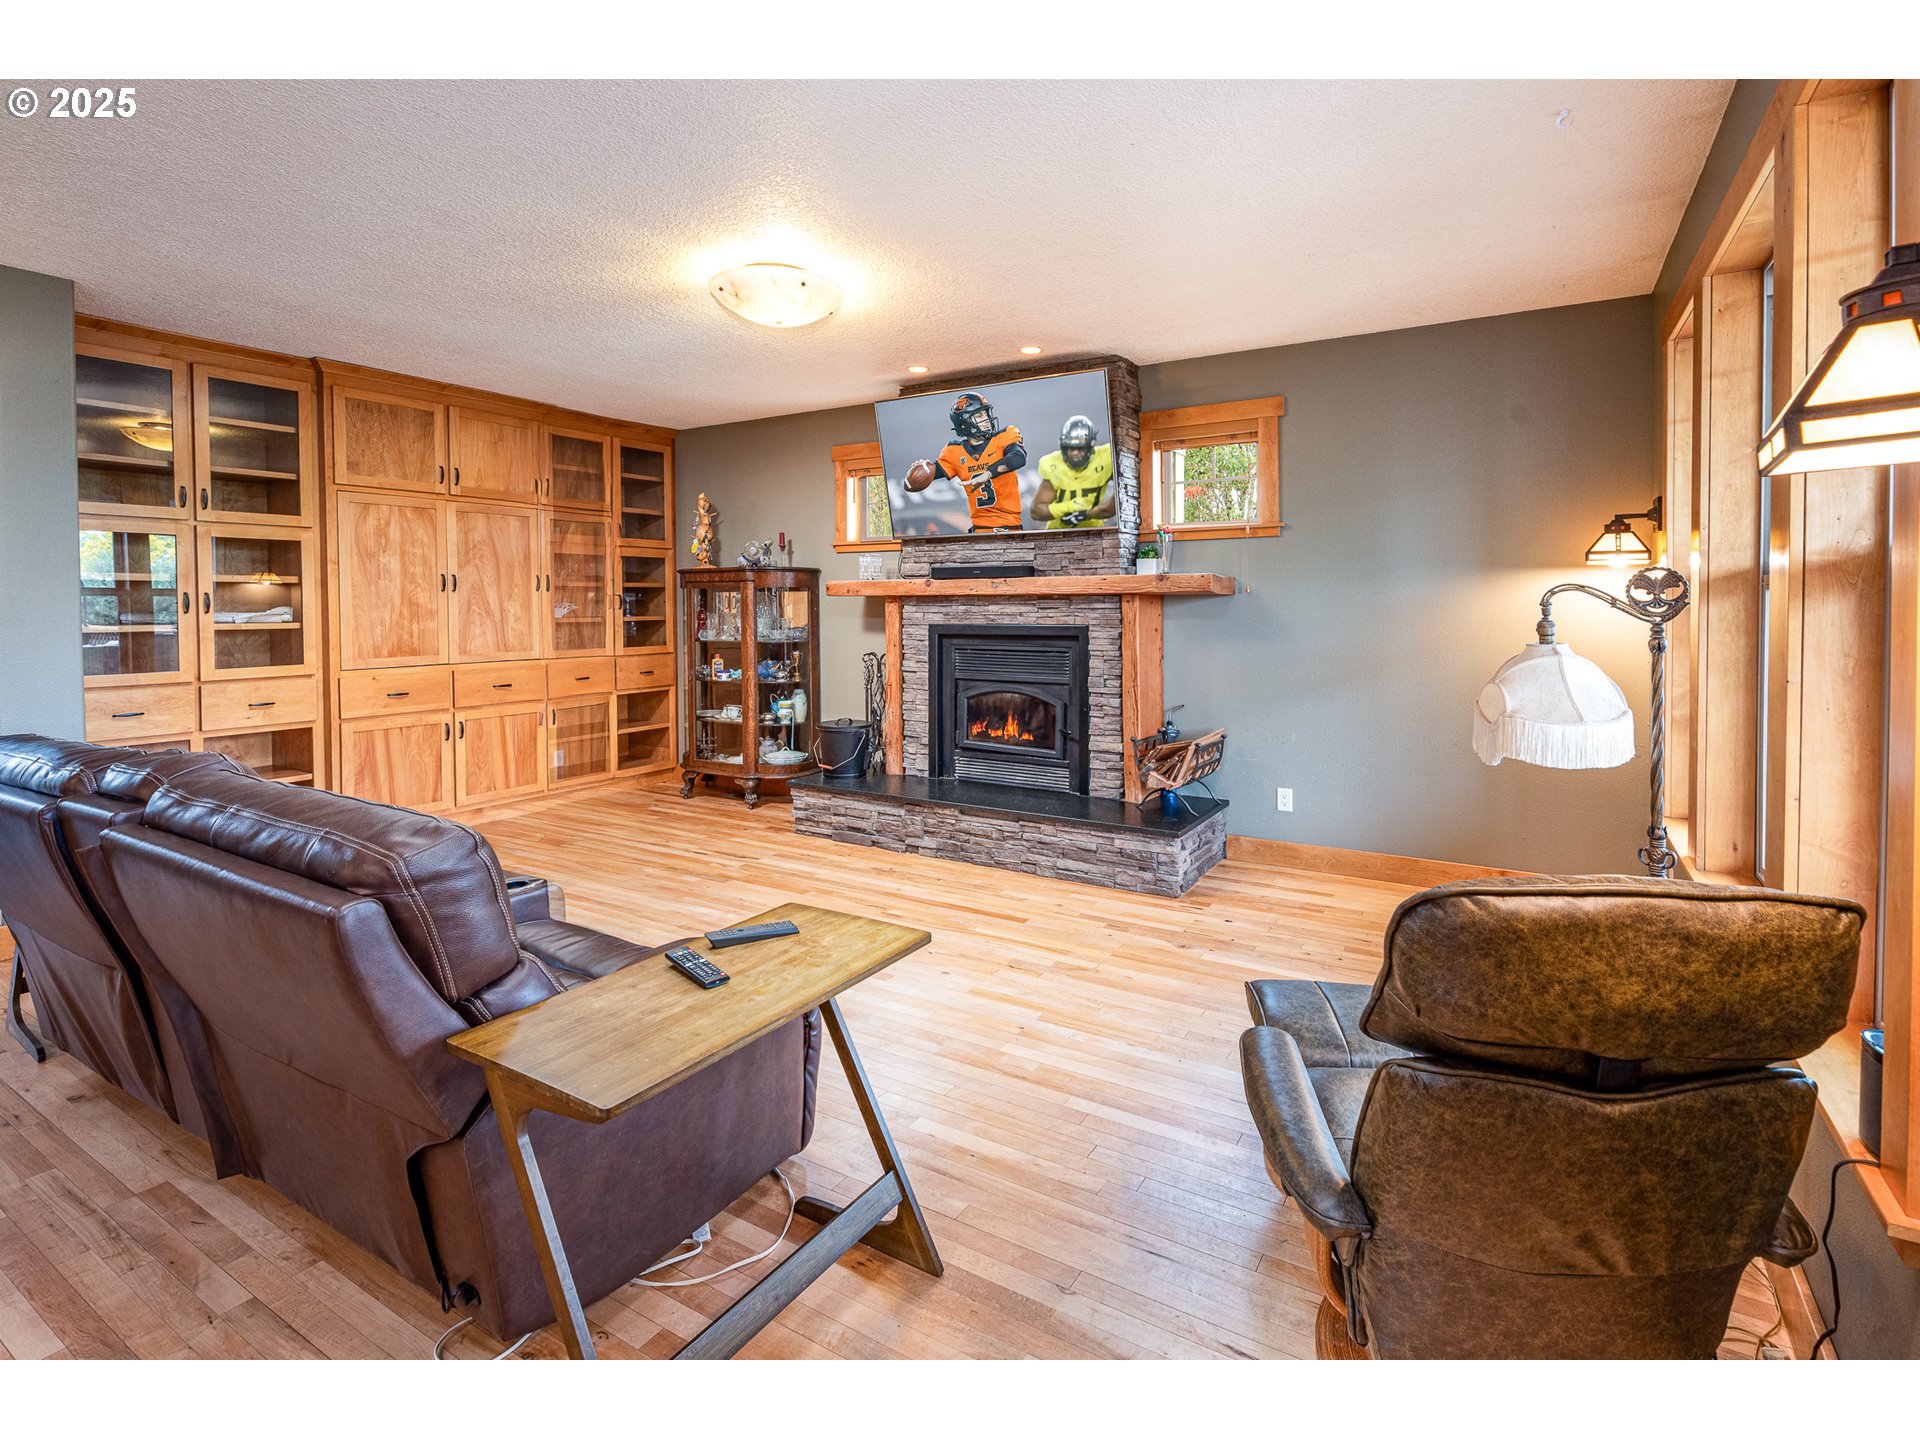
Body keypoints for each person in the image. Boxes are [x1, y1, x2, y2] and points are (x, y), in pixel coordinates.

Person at [929, 392, 1026, 533]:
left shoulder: (1005, 435)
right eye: (979, 416)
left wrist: (988, 473)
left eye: (986, 414)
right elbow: (926, 477)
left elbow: (1018, 457)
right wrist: (922, 469)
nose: (986, 419)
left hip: (1010, 528)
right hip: (979, 531)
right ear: (965, 423)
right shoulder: (954, 451)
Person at [1032, 415, 1116, 528]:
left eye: (1081, 448)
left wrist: (1087, 515)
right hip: (1057, 532)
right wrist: (1071, 506)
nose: (1075, 453)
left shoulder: (1107, 457)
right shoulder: (1053, 464)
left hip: (1093, 531)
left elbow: (1120, 501)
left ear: (1090, 447)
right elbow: (1036, 512)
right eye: (1070, 448)